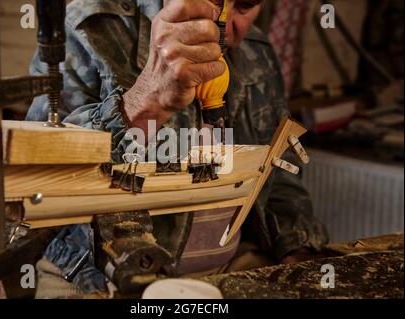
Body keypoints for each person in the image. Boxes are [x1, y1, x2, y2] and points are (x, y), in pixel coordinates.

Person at [26, 0, 329, 298]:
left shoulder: (256, 49)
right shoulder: (87, 27)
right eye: (215, 4)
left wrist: (295, 245)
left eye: (246, 6)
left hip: (232, 267)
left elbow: (280, 168)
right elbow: (38, 179)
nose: (226, 32)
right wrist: (145, 101)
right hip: (93, 276)